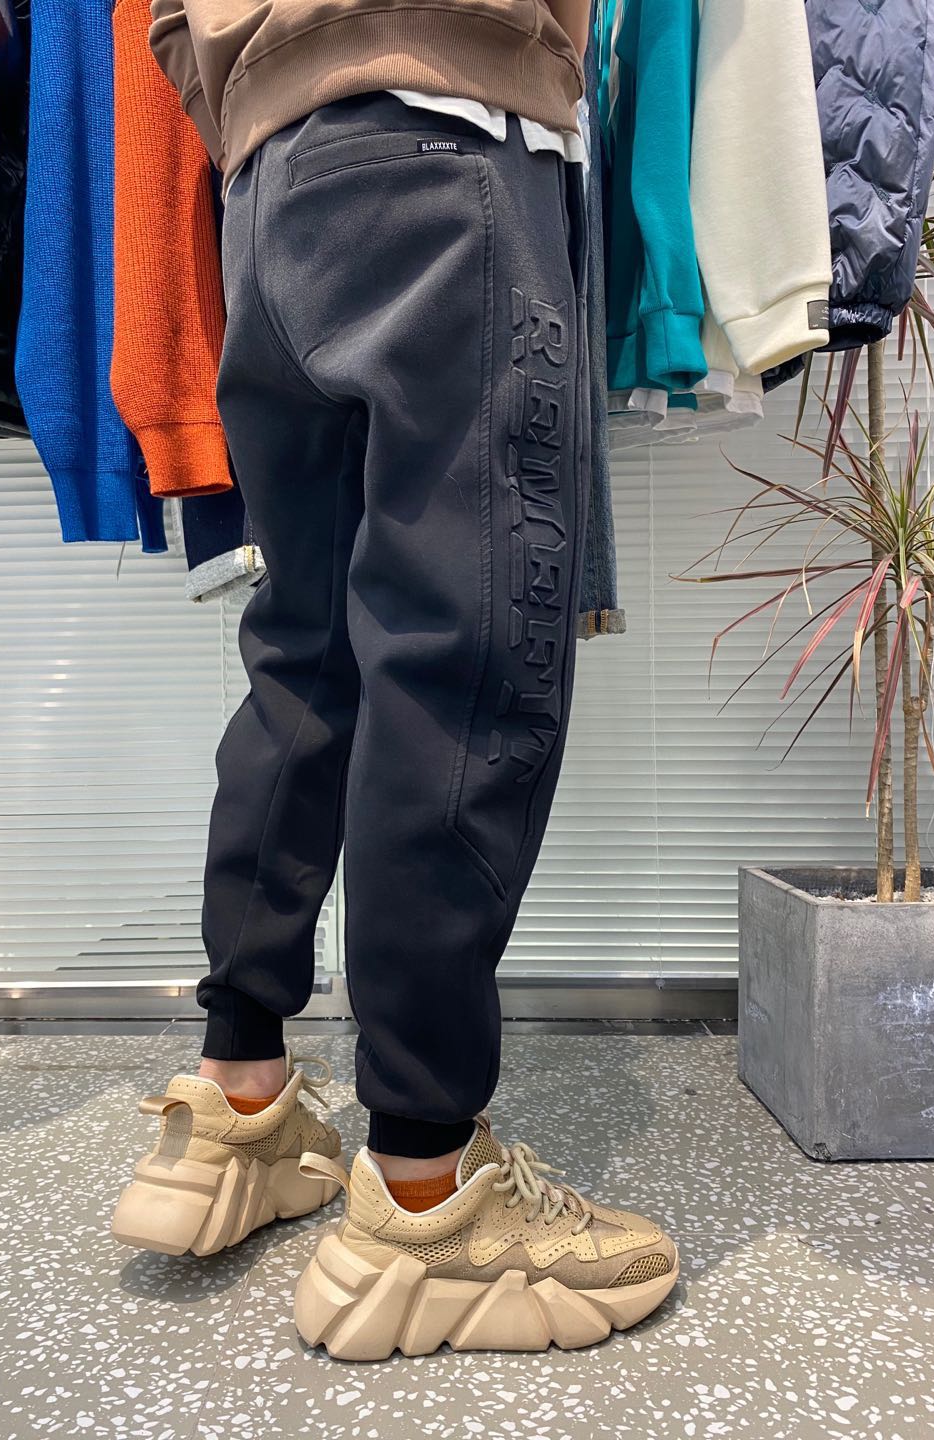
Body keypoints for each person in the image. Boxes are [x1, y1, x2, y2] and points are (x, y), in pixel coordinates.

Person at [111, 0, 678, 1359]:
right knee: (462, 658)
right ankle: (428, 1192)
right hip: (442, 136)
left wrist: (254, 99)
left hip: (270, 188)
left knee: (303, 651)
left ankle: (239, 1095)